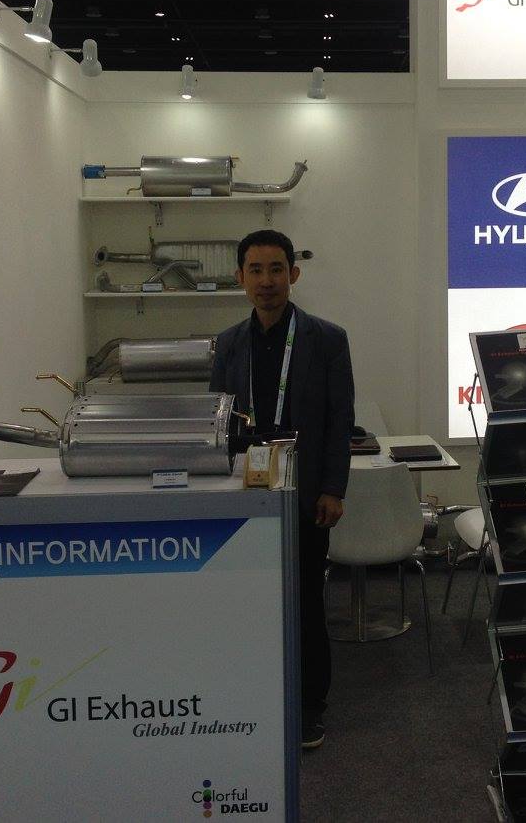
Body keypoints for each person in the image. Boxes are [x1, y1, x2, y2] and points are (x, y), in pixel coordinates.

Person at [210, 229, 354, 750]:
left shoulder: (327, 339)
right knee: (248, 598)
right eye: (256, 270)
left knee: (306, 600)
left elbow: (340, 421)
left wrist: (333, 488)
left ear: (293, 274)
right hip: (246, 492)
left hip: (306, 493)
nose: (266, 281)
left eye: (276, 269)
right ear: (240, 278)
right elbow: (218, 421)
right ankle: (257, 695)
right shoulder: (229, 344)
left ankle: (311, 705)